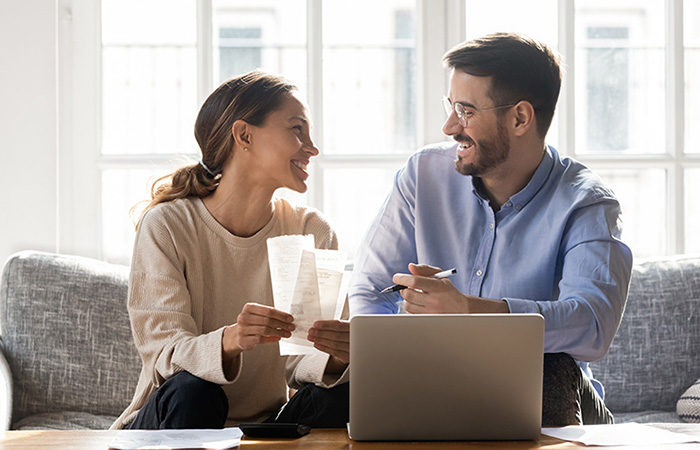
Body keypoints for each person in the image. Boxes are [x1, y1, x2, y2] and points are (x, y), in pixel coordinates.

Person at [348, 32, 633, 426]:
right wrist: (390, 363)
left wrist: (469, 312)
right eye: (451, 107)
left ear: (519, 118)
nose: (449, 126)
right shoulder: (422, 175)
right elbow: (370, 290)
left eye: (465, 111)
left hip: (552, 395)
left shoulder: (586, 202)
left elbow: (592, 325)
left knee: (552, 370)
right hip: (438, 381)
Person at [111, 70, 350, 430]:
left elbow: (304, 363)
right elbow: (164, 356)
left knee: (343, 393)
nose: (312, 147)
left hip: (265, 427)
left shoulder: (311, 230)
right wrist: (231, 340)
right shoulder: (167, 225)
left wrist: (338, 357)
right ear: (244, 135)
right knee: (196, 391)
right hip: (173, 419)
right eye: (297, 129)